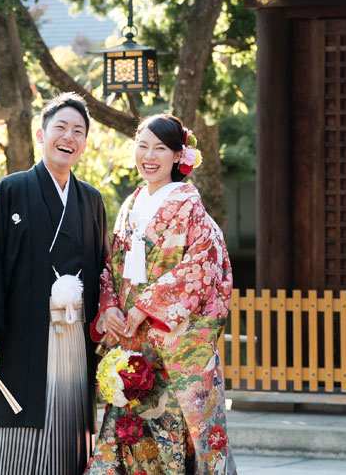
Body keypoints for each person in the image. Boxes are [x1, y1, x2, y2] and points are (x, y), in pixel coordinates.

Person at [0, 92, 110, 475]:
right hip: (18, 339)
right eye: (60, 127)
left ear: (85, 143)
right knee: (16, 439)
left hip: (72, 334)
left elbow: (104, 272)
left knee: (67, 431)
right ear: (41, 134)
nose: (68, 137)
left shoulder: (90, 200)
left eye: (78, 131)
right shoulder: (11, 190)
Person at [85, 114, 236, 475]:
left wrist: (144, 308)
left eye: (161, 148)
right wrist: (109, 309)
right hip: (133, 344)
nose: (149, 156)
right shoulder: (129, 206)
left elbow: (202, 267)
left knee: (175, 433)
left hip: (173, 342)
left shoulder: (190, 207)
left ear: (178, 155)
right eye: (142, 146)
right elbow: (110, 266)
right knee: (130, 432)